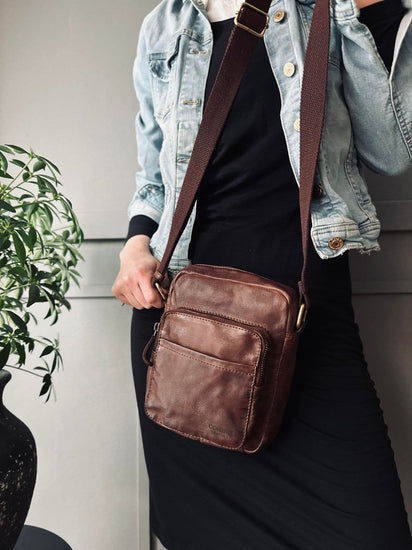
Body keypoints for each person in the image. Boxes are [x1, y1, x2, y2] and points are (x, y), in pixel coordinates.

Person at [112, 0, 412, 547]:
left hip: (306, 321)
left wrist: (376, 11)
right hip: (189, 335)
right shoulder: (164, 25)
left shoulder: (321, 10)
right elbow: (153, 178)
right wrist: (134, 247)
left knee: (372, 532)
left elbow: (392, 152)